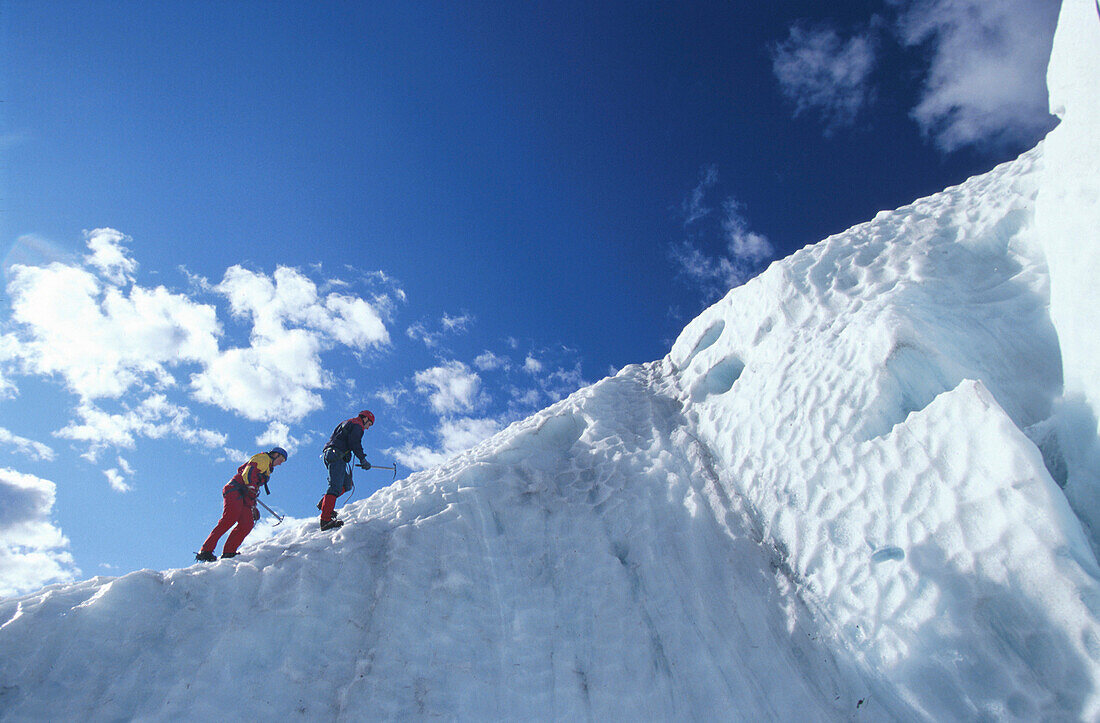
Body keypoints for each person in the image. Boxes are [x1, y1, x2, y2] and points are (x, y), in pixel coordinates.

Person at [196, 447, 287, 562]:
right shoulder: (263, 458)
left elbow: (253, 487)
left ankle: (229, 552)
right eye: (281, 460)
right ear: (276, 455)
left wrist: (253, 506)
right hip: (235, 489)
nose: (280, 464)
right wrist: (251, 487)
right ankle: (206, 550)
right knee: (230, 518)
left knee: (247, 523)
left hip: (245, 495)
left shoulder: (268, 468)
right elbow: (249, 472)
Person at [318, 410, 373, 530]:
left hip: (333, 454)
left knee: (347, 485)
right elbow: (355, 443)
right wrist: (363, 459)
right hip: (337, 455)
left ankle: (325, 503)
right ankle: (325, 520)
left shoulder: (347, 422)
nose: (368, 428)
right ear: (365, 419)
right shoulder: (358, 425)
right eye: (369, 424)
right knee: (335, 487)